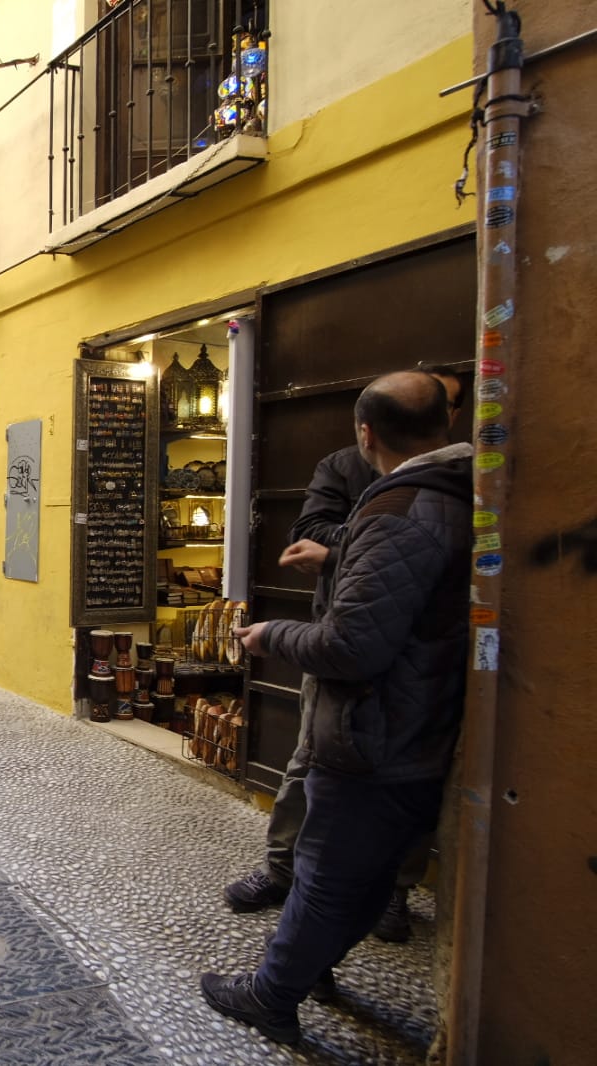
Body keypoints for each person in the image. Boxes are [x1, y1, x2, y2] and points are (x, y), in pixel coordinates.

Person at [202, 372, 473, 1044]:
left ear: (366, 433)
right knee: (363, 873)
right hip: (419, 719)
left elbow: (353, 646)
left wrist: (271, 635)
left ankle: (275, 993)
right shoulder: (464, 492)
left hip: (374, 728)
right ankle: (312, 965)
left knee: (328, 872)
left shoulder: (400, 510)